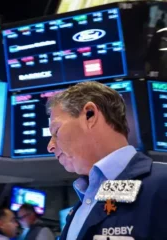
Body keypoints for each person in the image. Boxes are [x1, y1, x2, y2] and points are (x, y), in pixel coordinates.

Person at [46, 81, 167, 240]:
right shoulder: (78, 210)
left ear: (90, 114)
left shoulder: (162, 183)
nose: (50, 146)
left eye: (56, 131)